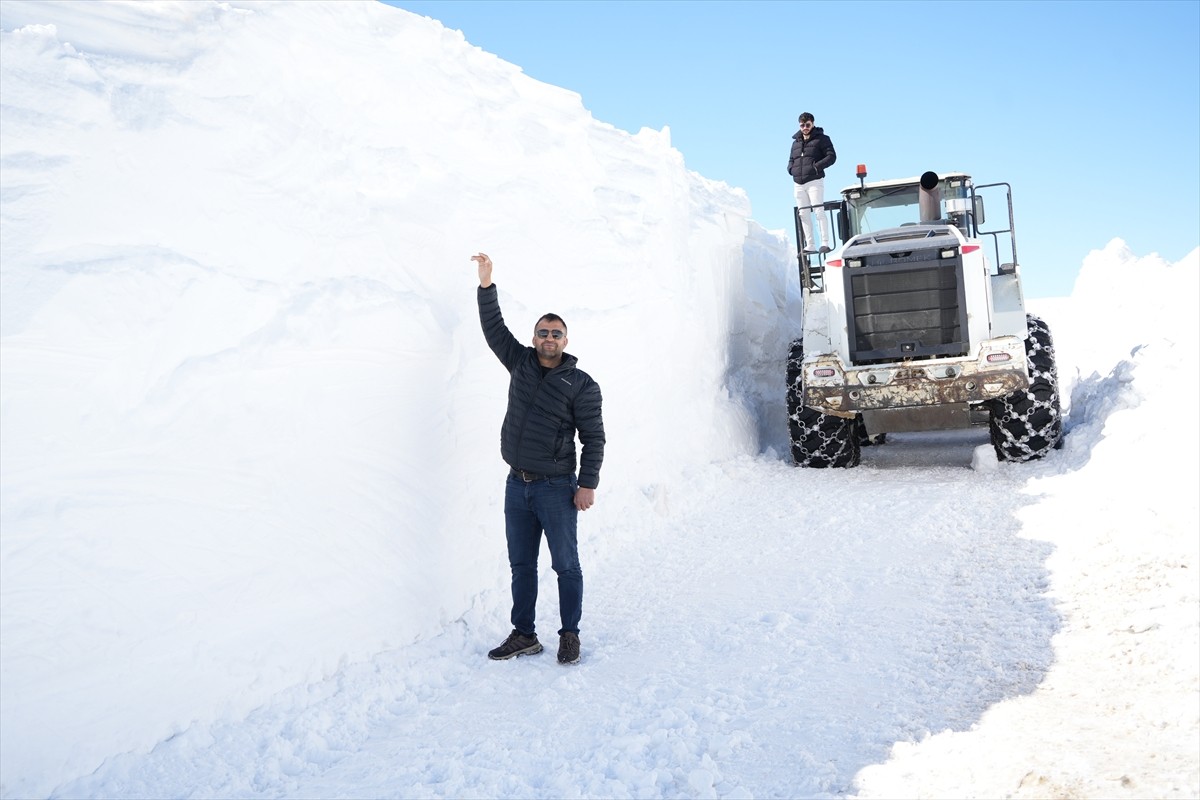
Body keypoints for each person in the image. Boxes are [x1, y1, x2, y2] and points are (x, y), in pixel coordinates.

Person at [471, 252, 605, 666]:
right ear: (533, 339)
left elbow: (594, 438)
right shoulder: (521, 363)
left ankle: (570, 634)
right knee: (521, 565)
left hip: (556, 488)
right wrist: (487, 285)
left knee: (566, 565)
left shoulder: (581, 385)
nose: (549, 338)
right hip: (517, 484)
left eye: (556, 333)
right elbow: (494, 329)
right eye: (543, 332)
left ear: (566, 341)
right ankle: (524, 634)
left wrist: (587, 484)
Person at [787, 112, 837, 254]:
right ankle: (810, 245)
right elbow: (791, 159)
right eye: (802, 125)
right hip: (798, 182)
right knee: (803, 213)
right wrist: (791, 169)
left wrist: (816, 167)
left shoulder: (822, 139)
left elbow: (831, 156)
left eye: (807, 125)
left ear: (813, 123)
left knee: (818, 210)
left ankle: (825, 243)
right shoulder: (795, 143)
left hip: (815, 181)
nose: (805, 128)